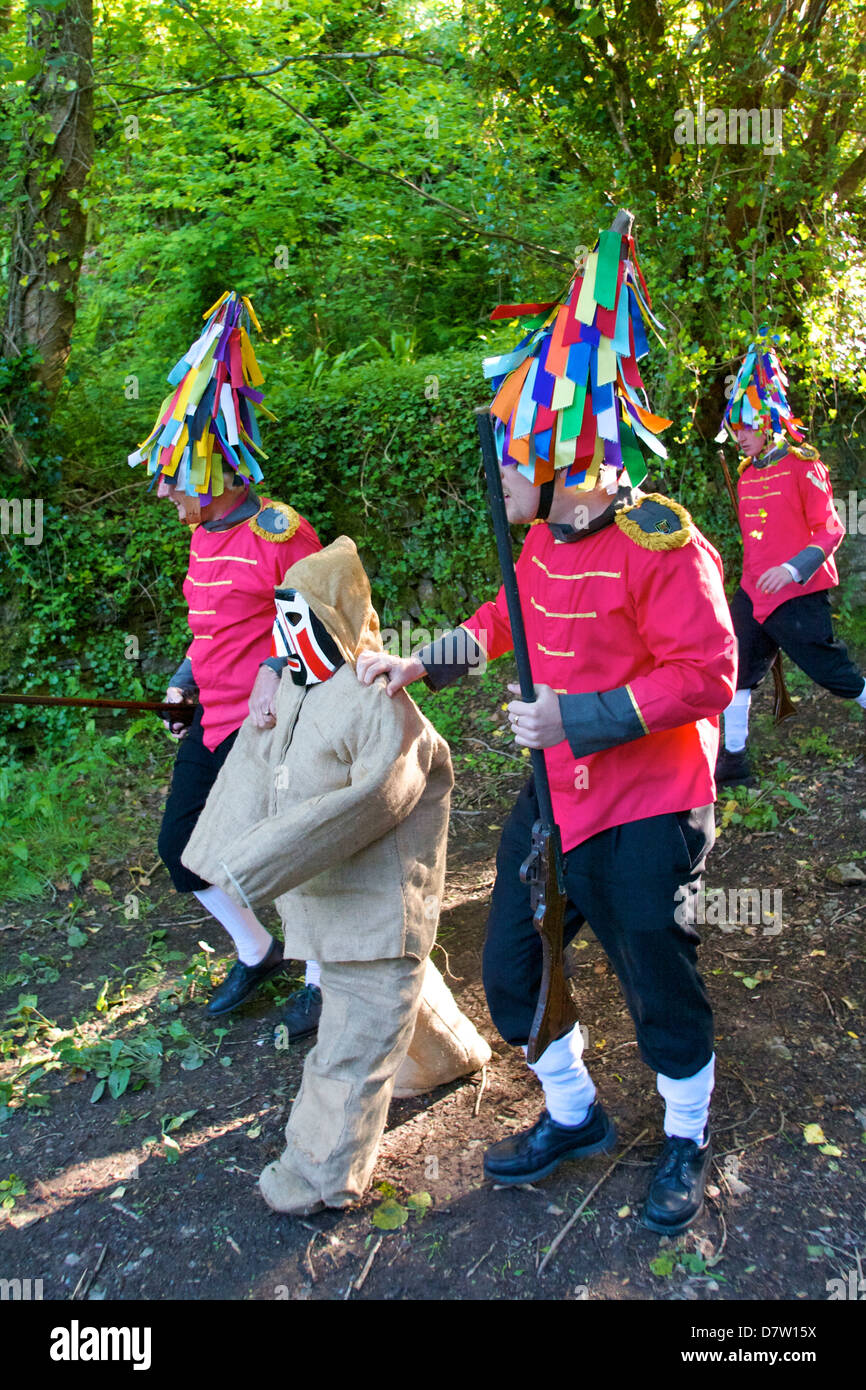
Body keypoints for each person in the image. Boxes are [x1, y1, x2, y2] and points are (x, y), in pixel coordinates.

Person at [358, 222, 737, 1233]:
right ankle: (572, 1115)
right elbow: (500, 624)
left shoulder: (660, 539)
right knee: (513, 969)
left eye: (508, 447)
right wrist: (415, 658)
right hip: (554, 798)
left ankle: (687, 1133)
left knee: (654, 967)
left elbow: (707, 673)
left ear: (561, 447)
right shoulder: (547, 537)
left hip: (649, 803)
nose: (499, 468)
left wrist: (579, 714)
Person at [181, 537, 490, 1214]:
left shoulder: (377, 698)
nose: (285, 636)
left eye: (300, 621)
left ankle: (317, 1178)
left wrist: (254, 864)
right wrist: (218, 853)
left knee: (348, 1048)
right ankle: (450, 1053)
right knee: (395, 995)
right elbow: (252, 774)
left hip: (380, 905)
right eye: (279, 620)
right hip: (328, 904)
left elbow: (376, 796)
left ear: (337, 623)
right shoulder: (294, 686)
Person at [129, 290, 324, 1031]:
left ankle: (323, 970)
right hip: (212, 723)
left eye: (174, 475)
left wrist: (277, 687)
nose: (163, 490)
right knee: (182, 850)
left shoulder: (281, 529)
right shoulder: (202, 533)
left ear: (214, 471)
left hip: (273, 727)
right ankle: (256, 951)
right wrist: (183, 682)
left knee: (291, 853)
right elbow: (208, 627)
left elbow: (314, 625)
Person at [714, 407, 866, 786]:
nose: (740, 438)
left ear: (768, 423)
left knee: (834, 674)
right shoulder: (747, 473)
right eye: (735, 430)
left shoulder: (804, 465)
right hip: (753, 593)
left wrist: (791, 569)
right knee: (736, 673)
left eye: (747, 428)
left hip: (797, 592)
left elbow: (830, 529)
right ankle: (734, 762)